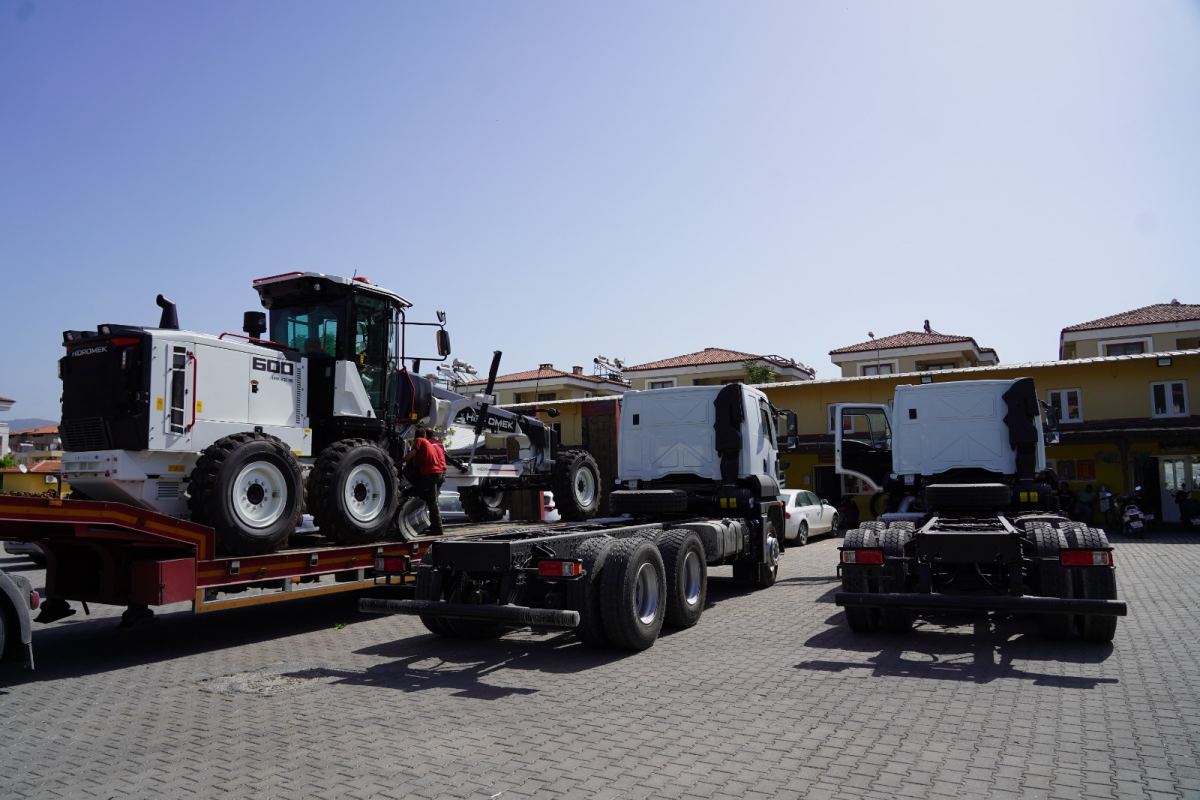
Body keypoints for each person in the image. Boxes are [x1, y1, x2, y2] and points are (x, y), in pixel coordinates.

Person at [404, 428, 447, 536]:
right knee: (432, 501)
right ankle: (436, 527)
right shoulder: (435, 443)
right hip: (440, 473)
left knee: (428, 498)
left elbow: (413, 455)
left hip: (432, 473)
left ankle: (437, 528)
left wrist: (401, 461)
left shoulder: (421, 441)